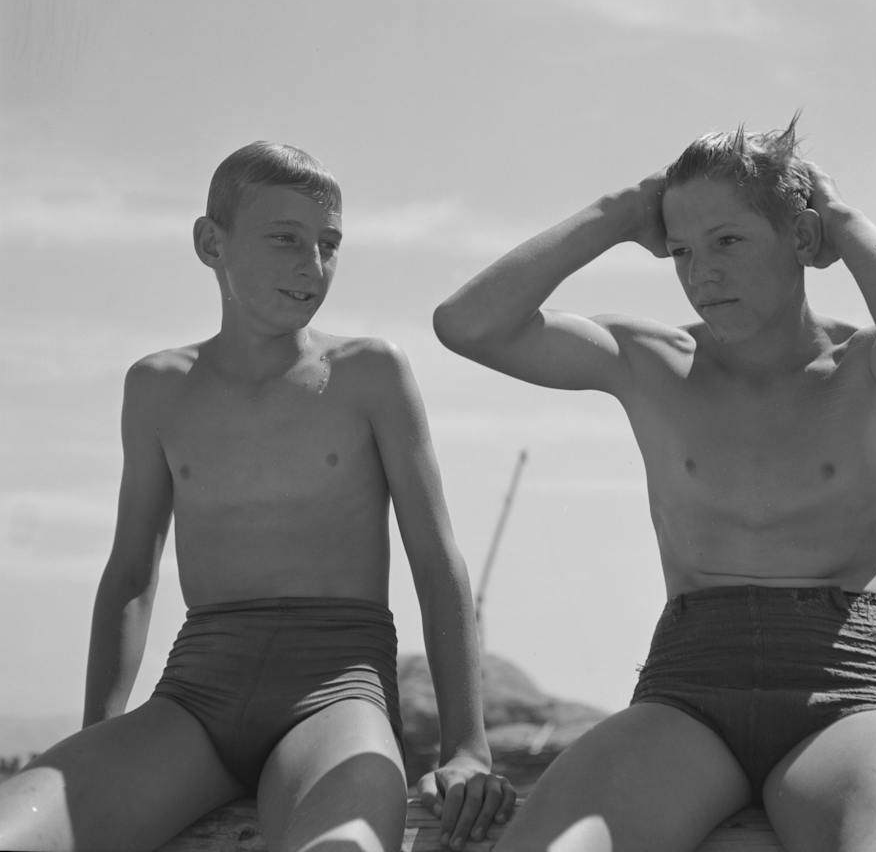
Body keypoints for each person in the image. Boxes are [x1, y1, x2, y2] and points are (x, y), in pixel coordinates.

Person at [433, 117, 876, 852]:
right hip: (687, 694)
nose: (701, 274)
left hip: (846, 689)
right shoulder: (649, 359)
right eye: (683, 250)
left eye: (728, 240)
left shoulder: (870, 368)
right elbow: (469, 324)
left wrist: (841, 220)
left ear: (803, 240)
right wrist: (622, 212)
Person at [0, 142, 515, 852]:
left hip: (337, 697)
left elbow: (436, 560)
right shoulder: (158, 388)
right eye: (285, 239)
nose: (312, 265)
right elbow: (130, 576)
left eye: (328, 244)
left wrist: (466, 747)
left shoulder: (369, 374)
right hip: (195, 699)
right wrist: (102, 737)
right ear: (211, 243)